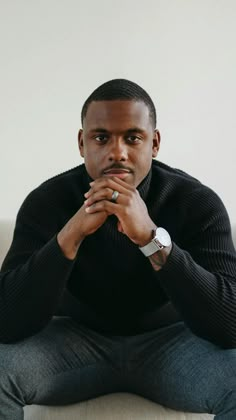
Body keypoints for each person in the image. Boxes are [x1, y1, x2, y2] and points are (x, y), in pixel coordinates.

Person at [0, 78, 236, 420]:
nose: (117, 152)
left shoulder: (197, 203)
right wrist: (69, 236)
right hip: (73, 342)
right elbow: (6, 323)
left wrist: (151, 239)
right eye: (101, 137)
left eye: (132, 138)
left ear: (154, 143)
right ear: (82, 143)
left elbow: (230, 325)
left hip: (171, 344)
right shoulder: (47, 202)